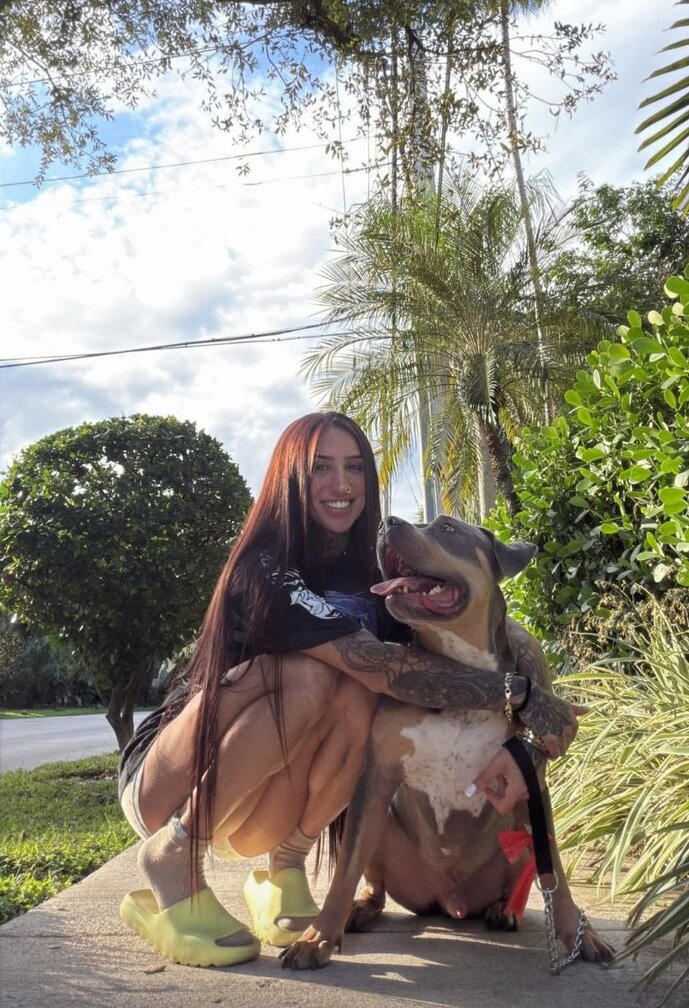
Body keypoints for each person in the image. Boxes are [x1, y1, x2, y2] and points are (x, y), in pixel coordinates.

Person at [118, 411, 583, 968]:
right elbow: (384, 668)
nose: (341, 484)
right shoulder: (264, 567)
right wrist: (519, 691)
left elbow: (446, 655)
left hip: (258, 806)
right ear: (290, 476)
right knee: (313, 674)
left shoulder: (374, 576)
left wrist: (528, 697)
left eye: (355, 467)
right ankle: (175, 854)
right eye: (321, 468)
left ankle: (284, 865)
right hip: (174, 778)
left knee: (361, 702)